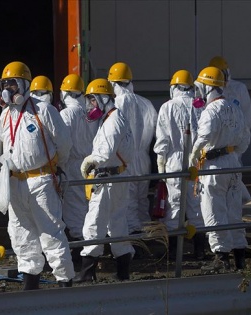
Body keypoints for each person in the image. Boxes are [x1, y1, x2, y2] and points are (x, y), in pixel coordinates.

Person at [0, 61, 74, 289]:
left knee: (51, 232)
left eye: (12, 84)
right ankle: (30, 282)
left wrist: (55, 167)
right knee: (21, 235)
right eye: (5, 84)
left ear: (24, 84)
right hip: (15, 182)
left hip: (41, 180)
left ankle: (64, 280)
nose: (8, 89)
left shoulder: (44, 111)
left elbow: (65, 145)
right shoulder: (5, 115)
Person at [189, 66, 250, 271]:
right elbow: (245, 139)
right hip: (233, 163)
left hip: (214, 165)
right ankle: (240, 257)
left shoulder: (211, 111)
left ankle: (221, 258)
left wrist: (194, 155)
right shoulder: (235, 107)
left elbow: (204, 136)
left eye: (200, 88)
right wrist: (233, 152)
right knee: (234, 211)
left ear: (208, 87)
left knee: (213, 211)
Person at [76, 78, 135, 282]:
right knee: (117, 223)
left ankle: (87, 273)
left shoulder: (112, 121)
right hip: (116, 176)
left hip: (108, 179)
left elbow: (104, 152)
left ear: (102, 98)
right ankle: (123, 272)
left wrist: (89, 161)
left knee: (94, 223)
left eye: (93, 100)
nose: (91, 105)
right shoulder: (115, 118)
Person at [153, 70, 206, 259]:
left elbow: (163, 140)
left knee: (174, 207)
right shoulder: (200, 106)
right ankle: (200, 251)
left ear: (174, 87)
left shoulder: (167, 107)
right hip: (197, 163)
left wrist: (161, 166)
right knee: (197, 207)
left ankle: (174, 254)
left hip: (174, 162)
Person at [108, 62, 157, 235]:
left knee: (127, 203)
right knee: (142, 201)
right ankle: (147, 236)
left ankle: (133, 241)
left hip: (125, 160)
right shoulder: (146, 103)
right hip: (143, 160)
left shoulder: (116, 104)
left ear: (113, 83)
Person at [57, 74, 99, 269]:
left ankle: (78, 255)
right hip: (89, 164)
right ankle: (88, 250)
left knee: (73, 210)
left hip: (72, 164)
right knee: (87, 208)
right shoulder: (91, 114)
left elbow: (62, 143)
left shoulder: (66, 115)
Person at [209, 56, 251, 204]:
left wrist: (240, 142)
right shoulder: (209, 88)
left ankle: (237, 204)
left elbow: (247, 118)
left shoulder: (238, 88)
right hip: (216, 142)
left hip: (233, 142)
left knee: (232, 178)